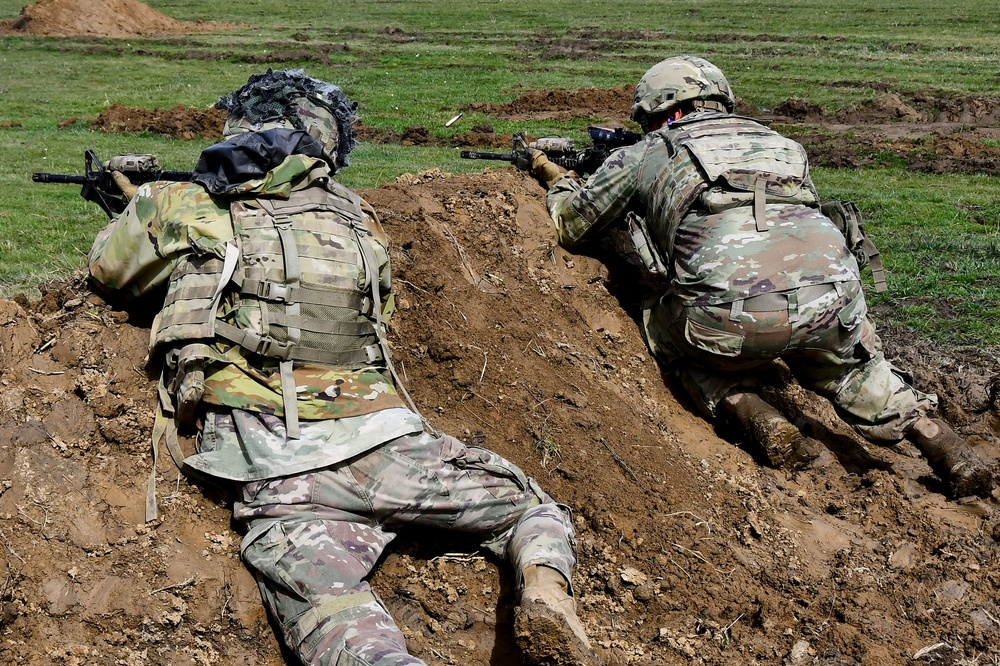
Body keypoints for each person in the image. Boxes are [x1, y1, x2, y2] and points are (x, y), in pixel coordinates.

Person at [88, 69, 600, 666]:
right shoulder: (358, 217)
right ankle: (544, 590)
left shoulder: (182, 202)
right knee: (531, 507)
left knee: (325, 604)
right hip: (390, 443)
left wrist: (137, 203)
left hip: (280, 464)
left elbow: (110, 271)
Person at [528, 55, 994, 499]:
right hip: (834, 303)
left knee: (668, 333)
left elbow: (573, 223)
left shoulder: (651, 149)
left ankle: (759, 419)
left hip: (730, 323)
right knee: (856, 369)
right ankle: (947, 448)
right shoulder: (782, 144)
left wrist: (553, 174)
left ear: (657, 111)